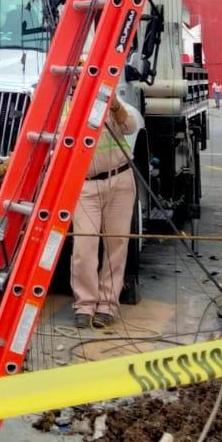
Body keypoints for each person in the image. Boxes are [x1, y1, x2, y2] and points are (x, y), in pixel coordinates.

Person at [71, 91, 145, 329]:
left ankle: (107, 305)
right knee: (85, 244)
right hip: (85, 185)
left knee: (116, 243)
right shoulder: (65, 105)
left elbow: (130, 127)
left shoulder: (109, 101)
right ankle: (84, 304)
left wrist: (114, 107)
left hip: (120, 178)